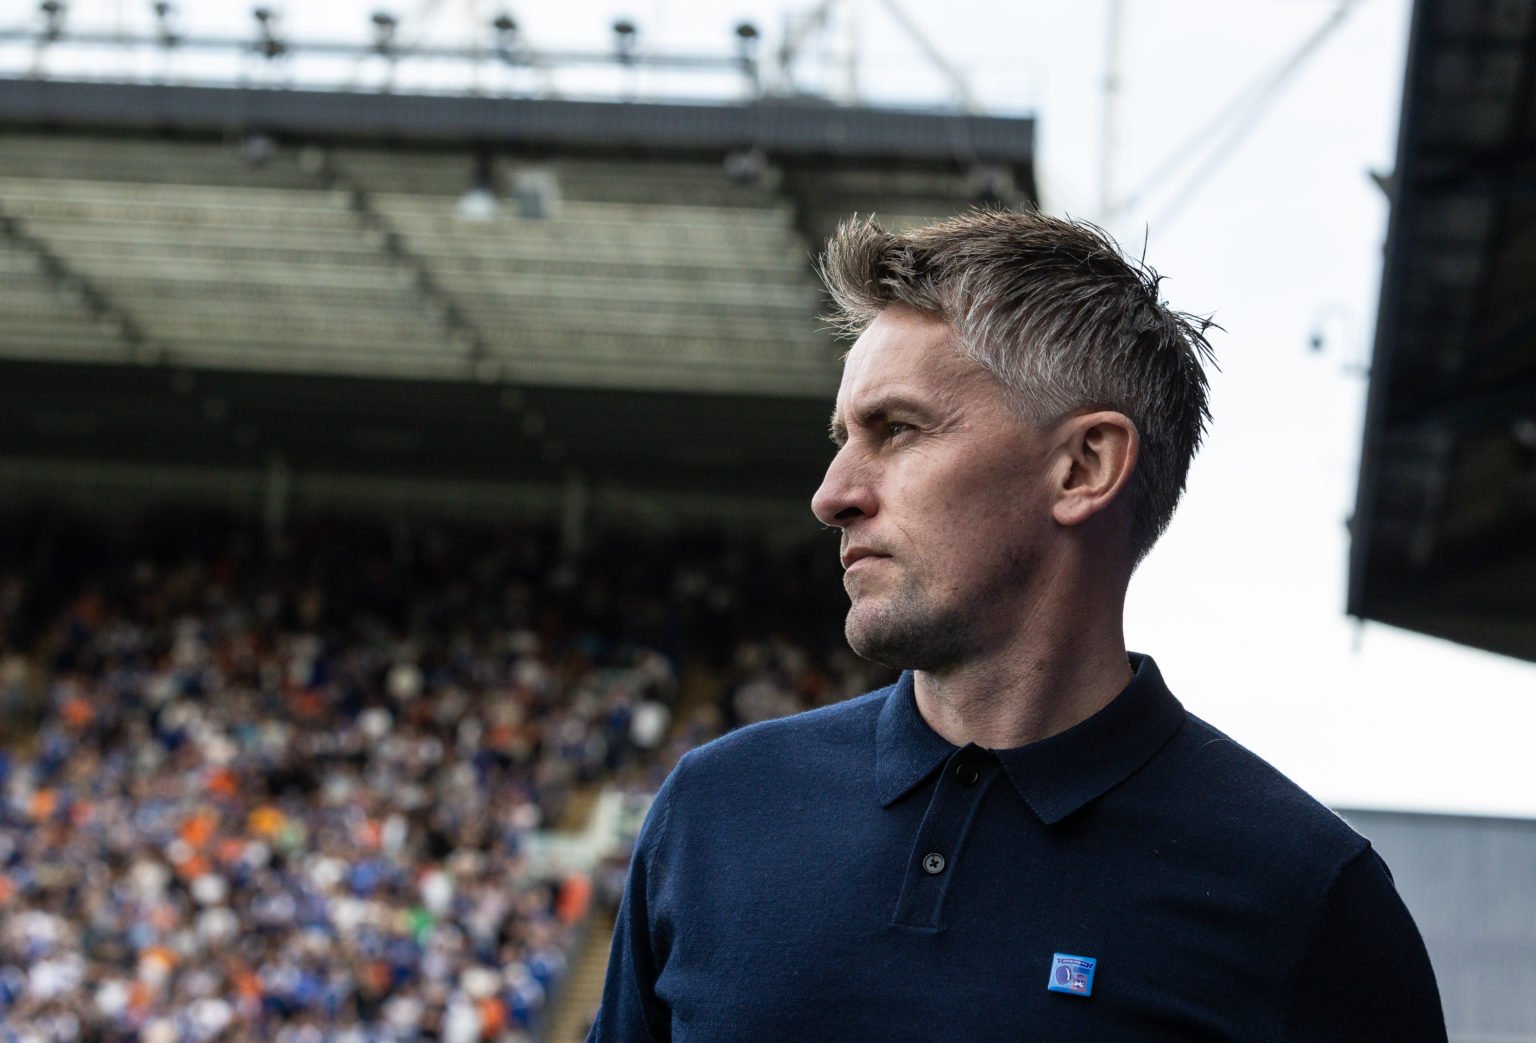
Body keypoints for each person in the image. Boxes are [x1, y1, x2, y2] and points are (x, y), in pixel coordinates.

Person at [588, 210, 1445, 1040]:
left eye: (895, 429)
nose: (831, 494)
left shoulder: (1306, 899)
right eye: (843, 435)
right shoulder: (716, 811)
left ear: (1083, 466)